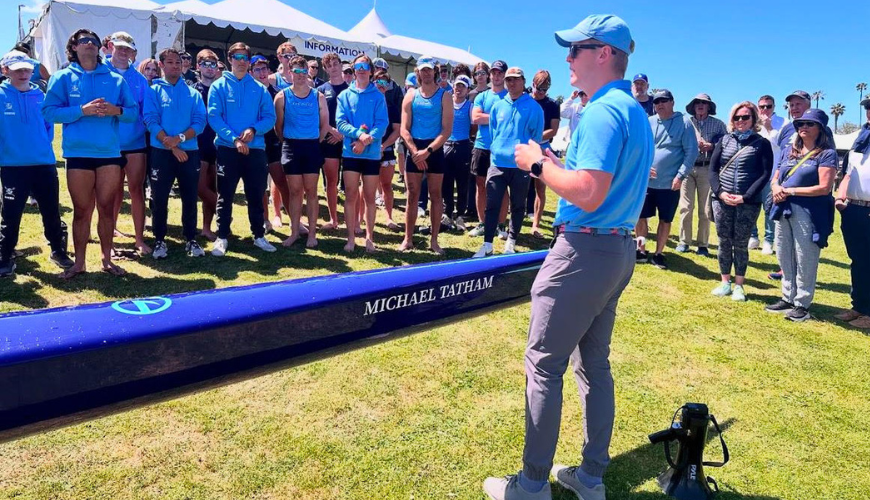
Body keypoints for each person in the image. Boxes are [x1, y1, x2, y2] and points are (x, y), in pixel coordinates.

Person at [484, 15, 653, 500]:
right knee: (593, 365)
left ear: (604, 54)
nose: (567, 59)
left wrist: (536, 165)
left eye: (576, 49)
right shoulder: (631, 110)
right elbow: (597, 183)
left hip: (585, 248)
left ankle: (532, 484)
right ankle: (590, 476)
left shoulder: (602, 110)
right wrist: (558, 168)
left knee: (544, 364)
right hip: (616, 249)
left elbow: (590, 191)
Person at [42, 28, 138, 278]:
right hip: (78, 154)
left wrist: (115, 110)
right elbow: (49, 112)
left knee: (107, 209)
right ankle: (80, 263)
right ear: (74, 47)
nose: (89, 44)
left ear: (100, 47)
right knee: (82, 210)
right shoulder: (62, 77)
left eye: (94, 41)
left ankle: (107, 259)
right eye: (83, 41)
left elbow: (132, 113)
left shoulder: (116, 79)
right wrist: (80, 110)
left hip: (108, 154)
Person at [0, 50, 74, 277]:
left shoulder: (41, 96)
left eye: (26, 69)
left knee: (51, 209)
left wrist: (40, 148)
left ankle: (58, 250)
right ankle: (5, 255)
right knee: (11, 214)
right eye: (17, 70)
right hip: (12, 166)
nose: (23, 74)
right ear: (5, 71)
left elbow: (49, 128)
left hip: (43, 163)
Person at [206, 42, 278, 256]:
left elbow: (270, 117)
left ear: (249, 61)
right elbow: (214, 117)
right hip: (228, 149)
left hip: (255, 149)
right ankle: (222, 237)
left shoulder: (259, 89)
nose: (240, 61)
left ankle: (258, 235)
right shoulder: (218, 86)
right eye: (236, 57)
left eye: (244, 58)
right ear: (229, 59)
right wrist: (235, 139)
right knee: (225, 194)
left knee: (256, 194)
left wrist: (254, 130)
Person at [765, 109, 836, 322]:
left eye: (809, 124)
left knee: (805, 255)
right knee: (784, 253)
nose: (803, 127)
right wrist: (777, 188)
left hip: (809, 211)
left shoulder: (826, 153)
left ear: (820, 129)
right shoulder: (789, 151)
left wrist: (790, 191)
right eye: (800, 124)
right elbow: (775, 177)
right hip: (783, 207)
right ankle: (787, 297)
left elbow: (824, 187)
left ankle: (802, 304)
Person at [143, 47, 207, 259]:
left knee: (190, 197)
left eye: (178, 62)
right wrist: (171, 146)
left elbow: (199, 122)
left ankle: (191, 239)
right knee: (159, 199)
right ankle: (160, 240)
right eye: (170, 62)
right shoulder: (152, 91)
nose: (175, 66)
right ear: (161, 65)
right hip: (161, 153)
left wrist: (179, 140)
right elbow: (150, 120)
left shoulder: (193, 93)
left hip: (189, 153)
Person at [472, 66, 542, 258]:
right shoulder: (498, 105)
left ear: (523, 82)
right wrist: (499, 149)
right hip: (497, 163)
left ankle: (511, 241)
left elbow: (536, 136)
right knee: (492, 204)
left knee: (518, 205)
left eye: (515, 79)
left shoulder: (534, 107)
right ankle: (487, 244)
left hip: (521, 165)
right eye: (508, 80)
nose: (511, 83)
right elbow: (494, 132)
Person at [709, 102, 773, 301]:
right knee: (724, 241)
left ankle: (739, 285)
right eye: (737, 117)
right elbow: (712, 170)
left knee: (741, 243)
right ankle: (725, 281)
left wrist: (745, 197)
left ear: (754, 119)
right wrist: (720, 193)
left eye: (745, 117)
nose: (741, 121)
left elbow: (765, 174)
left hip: (748, 201)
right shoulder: (725, 140)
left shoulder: (762, 143)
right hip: (722, 200)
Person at [635, 89, 698, 270]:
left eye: (664, 101)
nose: (659, 105)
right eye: (656, 102)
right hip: (646, 181)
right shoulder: (649, 122)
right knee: (641, 216)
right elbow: (641, 147)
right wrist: (644, 167)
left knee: (665, 219)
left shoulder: (684, 123)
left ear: (672, 102)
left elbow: (691, 152)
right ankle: (641, 249)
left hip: (671, 183)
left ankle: (659, 253)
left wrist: (680, 176)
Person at [398, 55, 454, 255]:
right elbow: (404, 129)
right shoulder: (411, 95)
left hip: (434, 149)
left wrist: (428, 151)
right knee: (412, 195)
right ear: (418, 72)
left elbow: (446, 130)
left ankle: (434, 240)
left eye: (430, 69)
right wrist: (415, 152)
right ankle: (408, 239)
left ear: (435, 71)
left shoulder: (445, 96)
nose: (427, 73)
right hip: (414, 149)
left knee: (436, 196)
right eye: (423, 69)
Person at [274, 55, 329, 248]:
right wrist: (288, 142)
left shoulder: (317, 96)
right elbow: (278, 127)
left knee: (311, 191)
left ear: (308, 73)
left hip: (312, 146)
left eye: (303, 71)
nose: (299, 75)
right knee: (295, 191)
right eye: (295, 71)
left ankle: (312, 234)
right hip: (291, 147)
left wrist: (315, 141)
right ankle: (295, 232)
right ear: (289, 72)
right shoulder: (281, 96)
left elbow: (325, 125)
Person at [336, 54, 389, 253]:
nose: (361, 69)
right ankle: (350, 239)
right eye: (357, 66)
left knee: (369, 197)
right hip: (351, 153)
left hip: (371, 154)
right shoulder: (344, 96)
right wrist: (359, 135)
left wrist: (367, 140)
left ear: (371, 70)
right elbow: (340, 123)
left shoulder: (378, 96)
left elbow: (382, 124)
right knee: (350, 196)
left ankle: (369, 238)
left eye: (365, 66)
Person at [106, 32, 151, 256]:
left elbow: (146, 111)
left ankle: (139, 239)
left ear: (133, 52)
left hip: (135, 142)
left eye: (128, 49)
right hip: (108, 144)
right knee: (111, 193)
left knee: (136, 190)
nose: (123, 52)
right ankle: (110, 239)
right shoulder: (100, 72)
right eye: (119, 47)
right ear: (111, 47)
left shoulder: (140, 80)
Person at [833, 96, 870, 329]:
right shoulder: (860, 138)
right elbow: (847, 172)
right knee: (858, 261)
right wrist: (839, 198)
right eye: (868, 108)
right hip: (854, 208)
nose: (869, 112)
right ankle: (859, 307)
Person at [676, 93, 726, 256]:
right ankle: (684, 241)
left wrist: (711, 146)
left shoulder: (718, 124)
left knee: (705, 209)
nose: (700, 105)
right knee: (686, 207)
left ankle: (703, 244)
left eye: (704, 103)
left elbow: (725, 144)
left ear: (709, 106)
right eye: (697, 102)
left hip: (707, 168)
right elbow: (678, 142)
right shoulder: (686, 122)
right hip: (688, 167)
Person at [249, 55, 291, 232]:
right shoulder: (249, 93)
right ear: (251, 72)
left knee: (282, 182)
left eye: (264, 68)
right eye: (257, 69)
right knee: (259, 186)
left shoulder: (279, 92)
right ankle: (265, 220)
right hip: (256, 144)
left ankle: (295, 220)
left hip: (275, 144)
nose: (262, 72)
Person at [469, 60, 508, 237]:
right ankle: (483, 223)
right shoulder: (481, 96)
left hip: (502, 148)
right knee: (481, 185)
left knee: (502, 187)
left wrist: (488, 116)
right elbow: (475, 118)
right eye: (494, 72)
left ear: (505, 75)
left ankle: (501, 225)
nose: (496, 76)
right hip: (482, 145)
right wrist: (499, 116)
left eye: (500, 73)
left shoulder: (510, 96)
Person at [316, 52, 348, 231]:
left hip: (347, 140)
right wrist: (331, 130)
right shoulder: (321, 90)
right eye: (330, 65)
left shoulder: (350, 88)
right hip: (328, 140)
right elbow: (317, 116)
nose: (334, 67)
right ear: (326, 69)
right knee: (331, 181)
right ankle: (334, 219)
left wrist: (343, 133)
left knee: (352, 182)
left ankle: (356, 221)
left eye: (336, 63)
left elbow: (354, 117)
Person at [750, 94, 785, 254]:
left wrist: (769, 128)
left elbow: (780, 146)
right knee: (751, 206)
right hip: (753, 174)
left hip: (771, 174)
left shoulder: (783, 123)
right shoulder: (752, 122)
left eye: (768, 106)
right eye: (762, 107)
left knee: (769, 208)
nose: (765, 110)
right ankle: (753, 236)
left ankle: (769, 241)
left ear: (774, 107)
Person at [528, 70, 560, 238]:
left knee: (540, 188)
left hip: (542, 148)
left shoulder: (552, 105)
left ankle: (535, 225)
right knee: (517, 186)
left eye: (544, 90)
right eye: (538, 88)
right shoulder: (525, 100)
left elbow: (553, 130)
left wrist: (535, 139)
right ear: (532, 84)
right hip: (524, 147)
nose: (540, 92)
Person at [443, 74, 476, 231]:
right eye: (457, 85)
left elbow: (473, 127)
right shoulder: (447, 104)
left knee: (462, 183)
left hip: (463, 146)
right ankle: (447, 213)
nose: (458, 88)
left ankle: (460, 215)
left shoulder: (470, 106)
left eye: (462, 86)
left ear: (467, 89)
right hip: (446, 146)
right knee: (446, 182)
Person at [193, 49, 220, 241]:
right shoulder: (193, 90)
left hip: (218, 143)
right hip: (198, 144)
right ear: (198, 67)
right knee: (200, 187)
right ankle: (223, 209)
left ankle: (206, 228)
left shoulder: (221, 89)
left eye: (213, 64)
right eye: (206, 64)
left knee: (213, 185)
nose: (210, 68)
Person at [374, 69, 402, 231]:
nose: (381, 85)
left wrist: (383, 146)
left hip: (387, 151)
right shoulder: (367, 104)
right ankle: (361, 218)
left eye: (385, 82)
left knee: (386, 185)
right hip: (369, 150)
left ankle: (389, 217)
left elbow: (397, 130)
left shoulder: (392, 107)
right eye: (379, 81)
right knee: (366, 186)